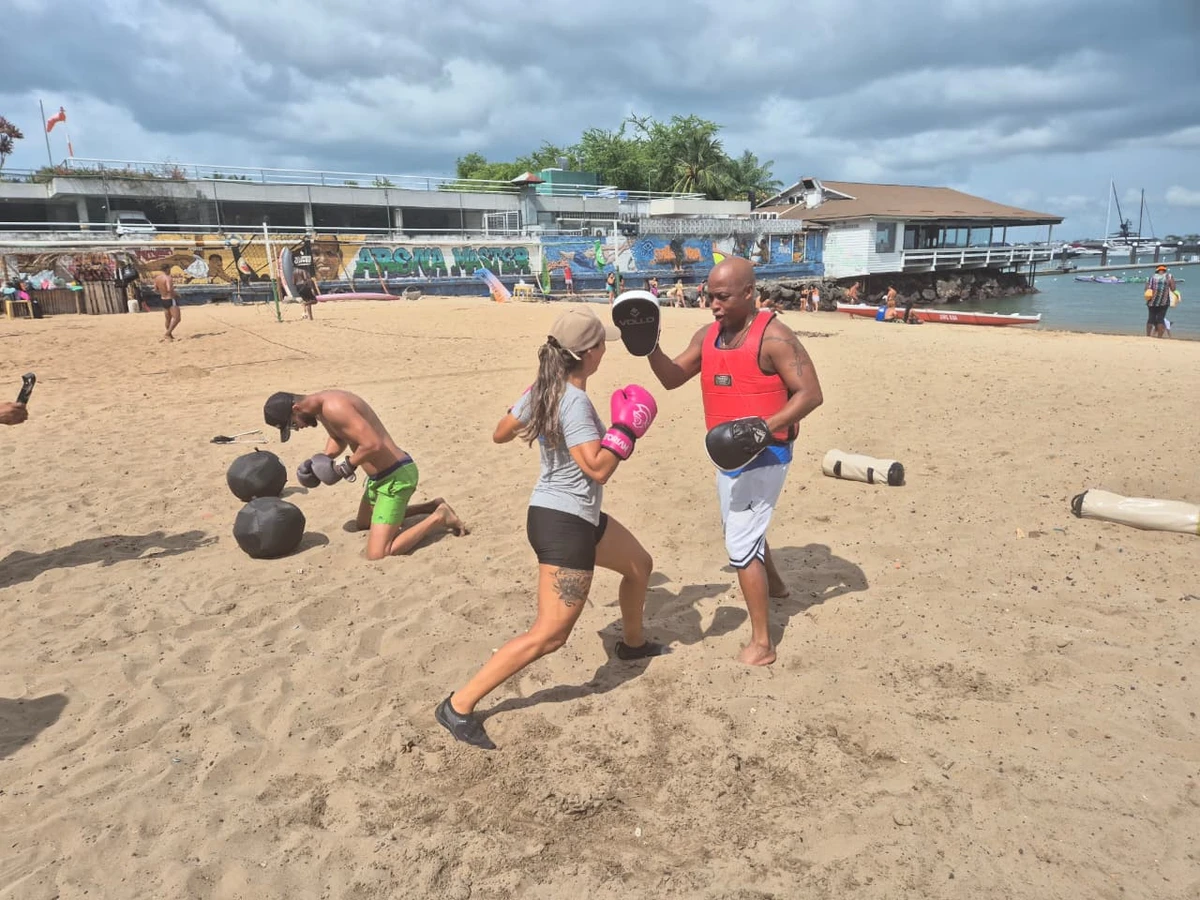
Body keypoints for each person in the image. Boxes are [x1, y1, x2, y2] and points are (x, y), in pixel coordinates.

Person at [436, 307, 666, 749]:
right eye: (602, 345)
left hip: (567, 512)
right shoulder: (574, 402)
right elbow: (598, 469)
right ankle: (458, 705)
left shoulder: (546, 389)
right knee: (551, 634)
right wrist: (626, 430)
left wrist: (532, 401)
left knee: (639, 564)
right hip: (564, 522)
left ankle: (633, 644)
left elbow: (500, 433)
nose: (604, 352)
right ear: (589, 352)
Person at [645, 257, 824, 666]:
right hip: (727, 452)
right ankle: (775, 585)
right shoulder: (707, 336)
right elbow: (673, 377)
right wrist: (648, 348)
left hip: (768, 453)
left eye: (723, 296)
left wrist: (765, 427)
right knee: (742, 525)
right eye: (710, 295)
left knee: (740, 542)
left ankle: (763, 643)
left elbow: (810, 394)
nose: (713, 304)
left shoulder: (775, 338)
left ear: (749, 294)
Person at [263, 389, 467, 560]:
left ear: (296, 409)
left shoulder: (334, 407)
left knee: (379, 553)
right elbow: (339, 437)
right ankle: (431, 506)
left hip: (396, 478)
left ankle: (440, 517)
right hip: (378, 479)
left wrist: (345, 467)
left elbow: (372, 444)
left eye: (293, 424)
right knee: (363, 523)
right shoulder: (322, 407)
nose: (298, 428)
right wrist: (323, 460)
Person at [1144, 264, 1176, 339]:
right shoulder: (1169, 276)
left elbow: (1146, 289)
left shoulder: (1151, 277)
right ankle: (1159, 337)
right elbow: (1173, 288)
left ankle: (1148, 336)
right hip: (1164, 302)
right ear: (1165, 270)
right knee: (1160, 319)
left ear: (1157, 270)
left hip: (1151, 301)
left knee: (1150, 318)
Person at [153, 264, 181, 341]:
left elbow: (155, 289)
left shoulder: (157, 278)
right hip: (170, 299)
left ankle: (169, 335)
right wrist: (177, 293)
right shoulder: (168, 278)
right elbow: (169, 289)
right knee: (177, 318)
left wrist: (162, 292)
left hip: (163, 299)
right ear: (168, 269)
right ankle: (167, 333)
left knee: (168, 318)